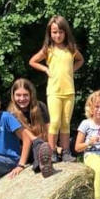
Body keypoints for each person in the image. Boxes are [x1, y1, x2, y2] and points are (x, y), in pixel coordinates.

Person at [29, 15, 84, 162]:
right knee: (55, 121)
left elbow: (80, 60)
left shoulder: (71, 48)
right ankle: (52, 150)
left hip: (69, 91)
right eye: (54, 32)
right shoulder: (48, 49)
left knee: (66, 122)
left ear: (66, 32)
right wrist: (45, 69)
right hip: (54, 91)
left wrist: (72, 69)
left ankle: (65, 152)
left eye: (60, 32)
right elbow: (33, 61)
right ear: (50, 33)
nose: (58, 35)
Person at [7, 78, 54, 177]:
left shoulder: (40, 106)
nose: (22, 98)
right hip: (26, 150)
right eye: (18, 95)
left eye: (25, 95)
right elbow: (28, 136)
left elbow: (49, 128)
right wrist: (21, 165)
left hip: (43, 144)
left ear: (31, 95)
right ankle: (41, 165)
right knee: (37, 145)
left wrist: (51, 147)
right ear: (13, 96)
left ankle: (47, 157)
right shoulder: (11, 114)